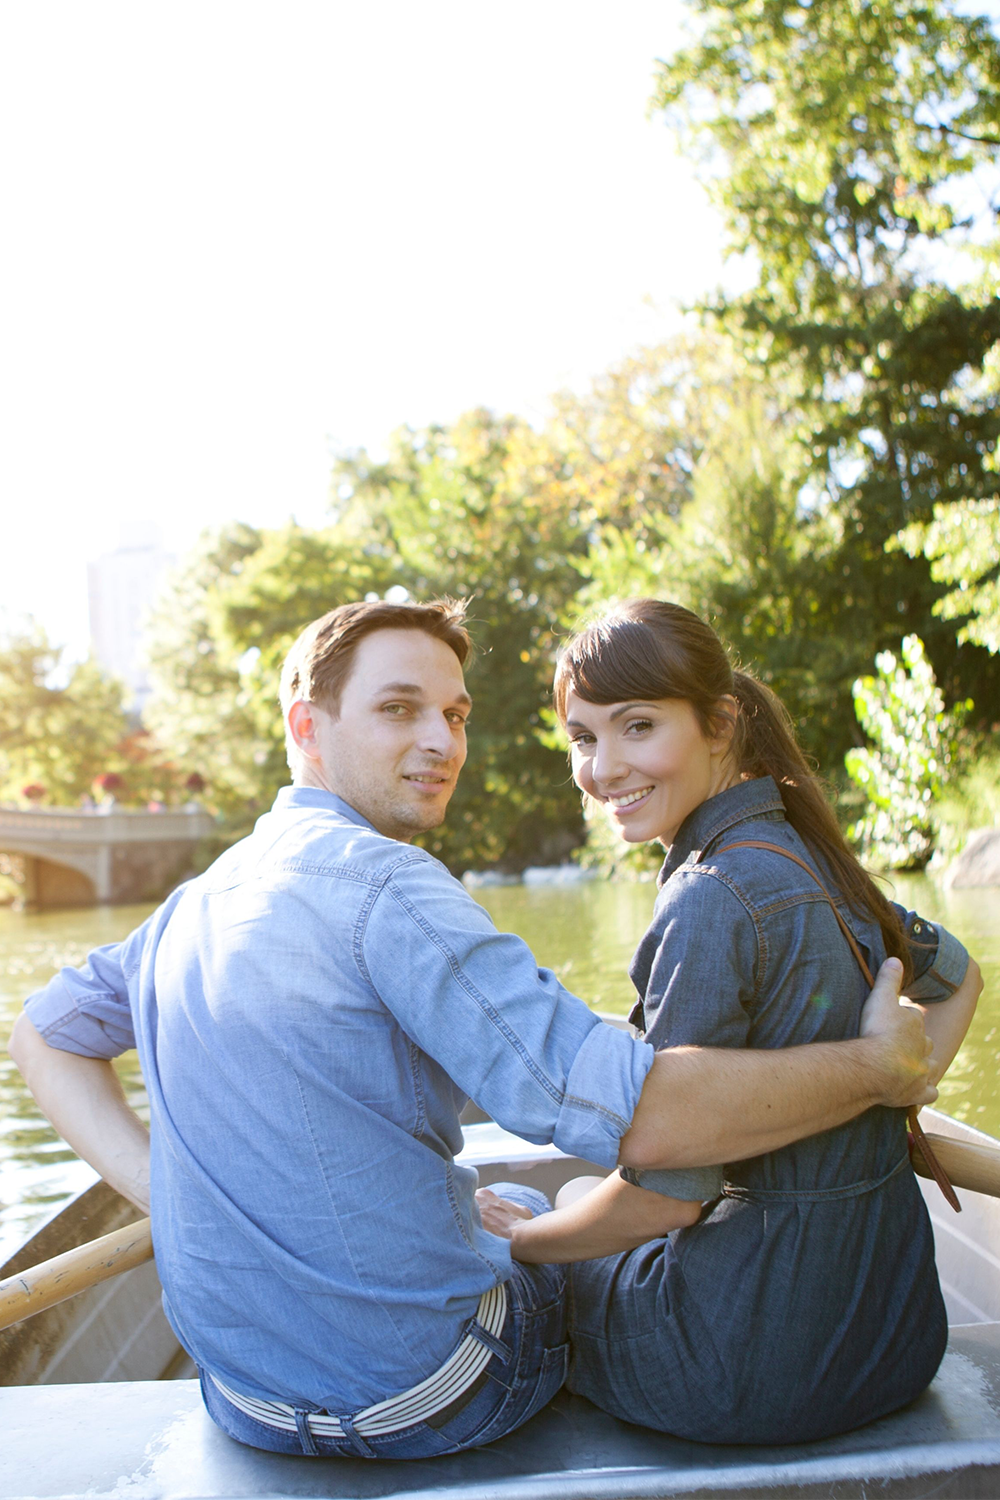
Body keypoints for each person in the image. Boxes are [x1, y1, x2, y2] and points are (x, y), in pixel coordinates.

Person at [9, 598, 953, 1460]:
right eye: (398, 709)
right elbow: (651, 1124)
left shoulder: (194, 902)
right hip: (430, 1397)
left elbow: (45, 1033)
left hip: (246, 1403)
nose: (441, 743)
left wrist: (167, 1198)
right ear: (307, 725)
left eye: (454, 715)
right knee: (540, 1217)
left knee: (538, 1211)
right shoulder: (390, 887)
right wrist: (879, 1068)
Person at [484, 598, 980, 1445]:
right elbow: (959, 978)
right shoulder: (820, 860)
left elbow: (666, 1204)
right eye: (583, 737)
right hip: (895, 1346)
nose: (603, 768)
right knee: (572, 1200)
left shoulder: (709, 899)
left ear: (720, 724)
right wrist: (894, 1083)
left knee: (528, 1217)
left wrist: (529, 1245)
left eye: (637, 727)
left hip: (739, 1371)